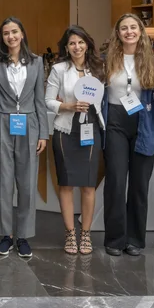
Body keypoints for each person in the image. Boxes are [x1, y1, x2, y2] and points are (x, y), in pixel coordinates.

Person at [0, 17, 50, 258]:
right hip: (2, 123)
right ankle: (5, 235)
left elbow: (40, 100)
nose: (10, 36)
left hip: (30, 125)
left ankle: (23, 236)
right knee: (2, 181)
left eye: (14, 32)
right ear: (1, 38)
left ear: (22, 34)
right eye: (6, 33)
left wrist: (44, 132)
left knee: (27, 182)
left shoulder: (36, 62)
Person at [101, 14, 154, 257]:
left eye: (133, 27)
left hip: (143, 122)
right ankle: (115, 239)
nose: (129, 32)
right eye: (124, 28)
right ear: (118, 33)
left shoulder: (152, 61)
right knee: (115, 180)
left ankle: (135, 239)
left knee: (139, 184)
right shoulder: (106, 60)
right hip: (114, 121)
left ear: (141, 31)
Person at [45, 25, 105, 255]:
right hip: (65, 129)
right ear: (66, 47)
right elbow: (48, 100)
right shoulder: (59, 69)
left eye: (80, 42)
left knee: (89, 184)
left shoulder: (99, 69)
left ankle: (86, 233)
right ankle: (70, 233)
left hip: (91, 128)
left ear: (87, 44)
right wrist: (68, 105)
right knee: (67, 183)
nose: (77, 47)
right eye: (72, 43)